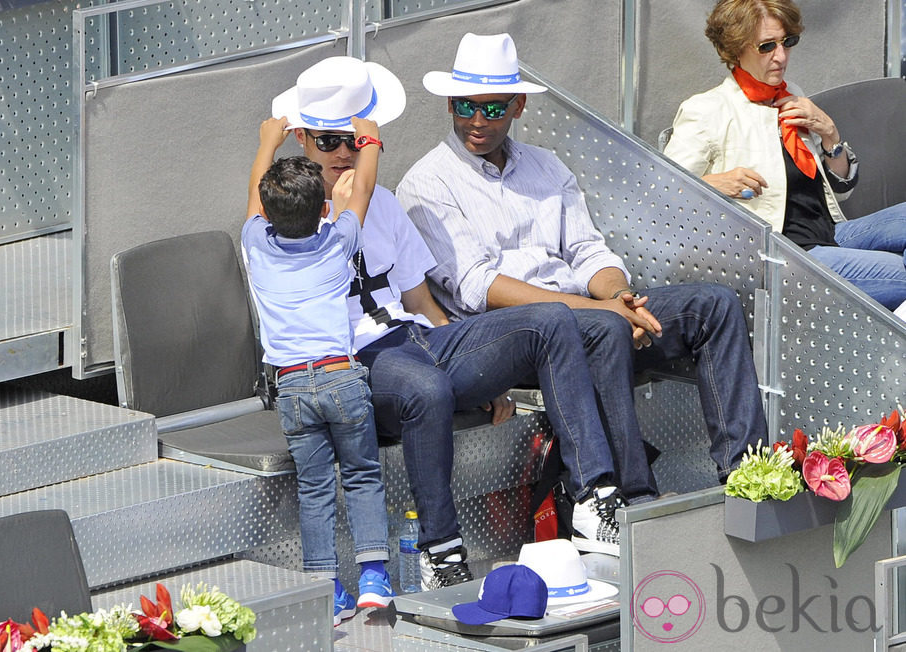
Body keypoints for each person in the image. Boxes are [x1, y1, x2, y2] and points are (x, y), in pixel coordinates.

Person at [249, 56, 659, 588]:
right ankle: (440, 551)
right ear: (301, 140)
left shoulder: (387, 205)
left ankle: (591, 497)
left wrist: (475, 368)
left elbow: (420, 302)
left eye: (354, 141)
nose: (345, 153)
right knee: (427, 388)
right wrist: (269, 145)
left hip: (410, 339)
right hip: (345, 365)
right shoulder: (283, 224)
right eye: (329, 142)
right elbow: (260, 201)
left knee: (550, 319)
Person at [396, 33, 768, 507]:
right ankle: (634, 499)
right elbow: (478, 287)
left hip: (586, 313)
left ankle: (748, 475)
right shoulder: (426, 183)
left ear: (518, 107)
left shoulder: (546, 166)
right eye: (465, 105)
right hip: (507, 338)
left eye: (492, 109)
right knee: (603, 329)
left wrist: (621, 296)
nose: (476, 120)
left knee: (712, 305)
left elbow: (588, 251)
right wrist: (605, 311)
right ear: (449, 103)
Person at [242, 106, 393, 626]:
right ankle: (374, 577)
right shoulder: (338, 242)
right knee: (362, 476)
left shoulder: (255, 245)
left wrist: (268, 140)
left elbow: (252, 197)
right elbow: (365, 192)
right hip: (341, 377)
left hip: (292, 387)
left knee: (315, 488)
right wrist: (369, 142)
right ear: (321, 208)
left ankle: (327, 589)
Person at [663, 0, 906, 311]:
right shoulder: (708, 109)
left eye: (787, 42)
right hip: (784, 253)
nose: (781, 56)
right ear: (736, 50)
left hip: (831, 232)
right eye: (766, 46)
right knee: (896, 273)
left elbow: (841, 193)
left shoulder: (793, 95)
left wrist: (830, 133)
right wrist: (714, 183)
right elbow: (662, 195)